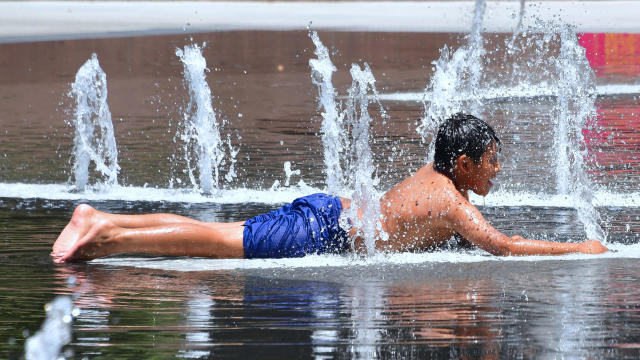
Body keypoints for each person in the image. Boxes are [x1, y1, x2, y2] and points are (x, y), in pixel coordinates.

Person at [51, 113, 608, 263]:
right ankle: (103, 228)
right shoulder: (450, 202)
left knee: (218, 234)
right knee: (213, 241)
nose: (497, 172)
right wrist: (578, 248)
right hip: (322, 231)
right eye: (491, 162)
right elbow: (503, 246)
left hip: (328, 214)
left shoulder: (437, 183)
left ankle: (105, 227)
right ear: (463, 164)